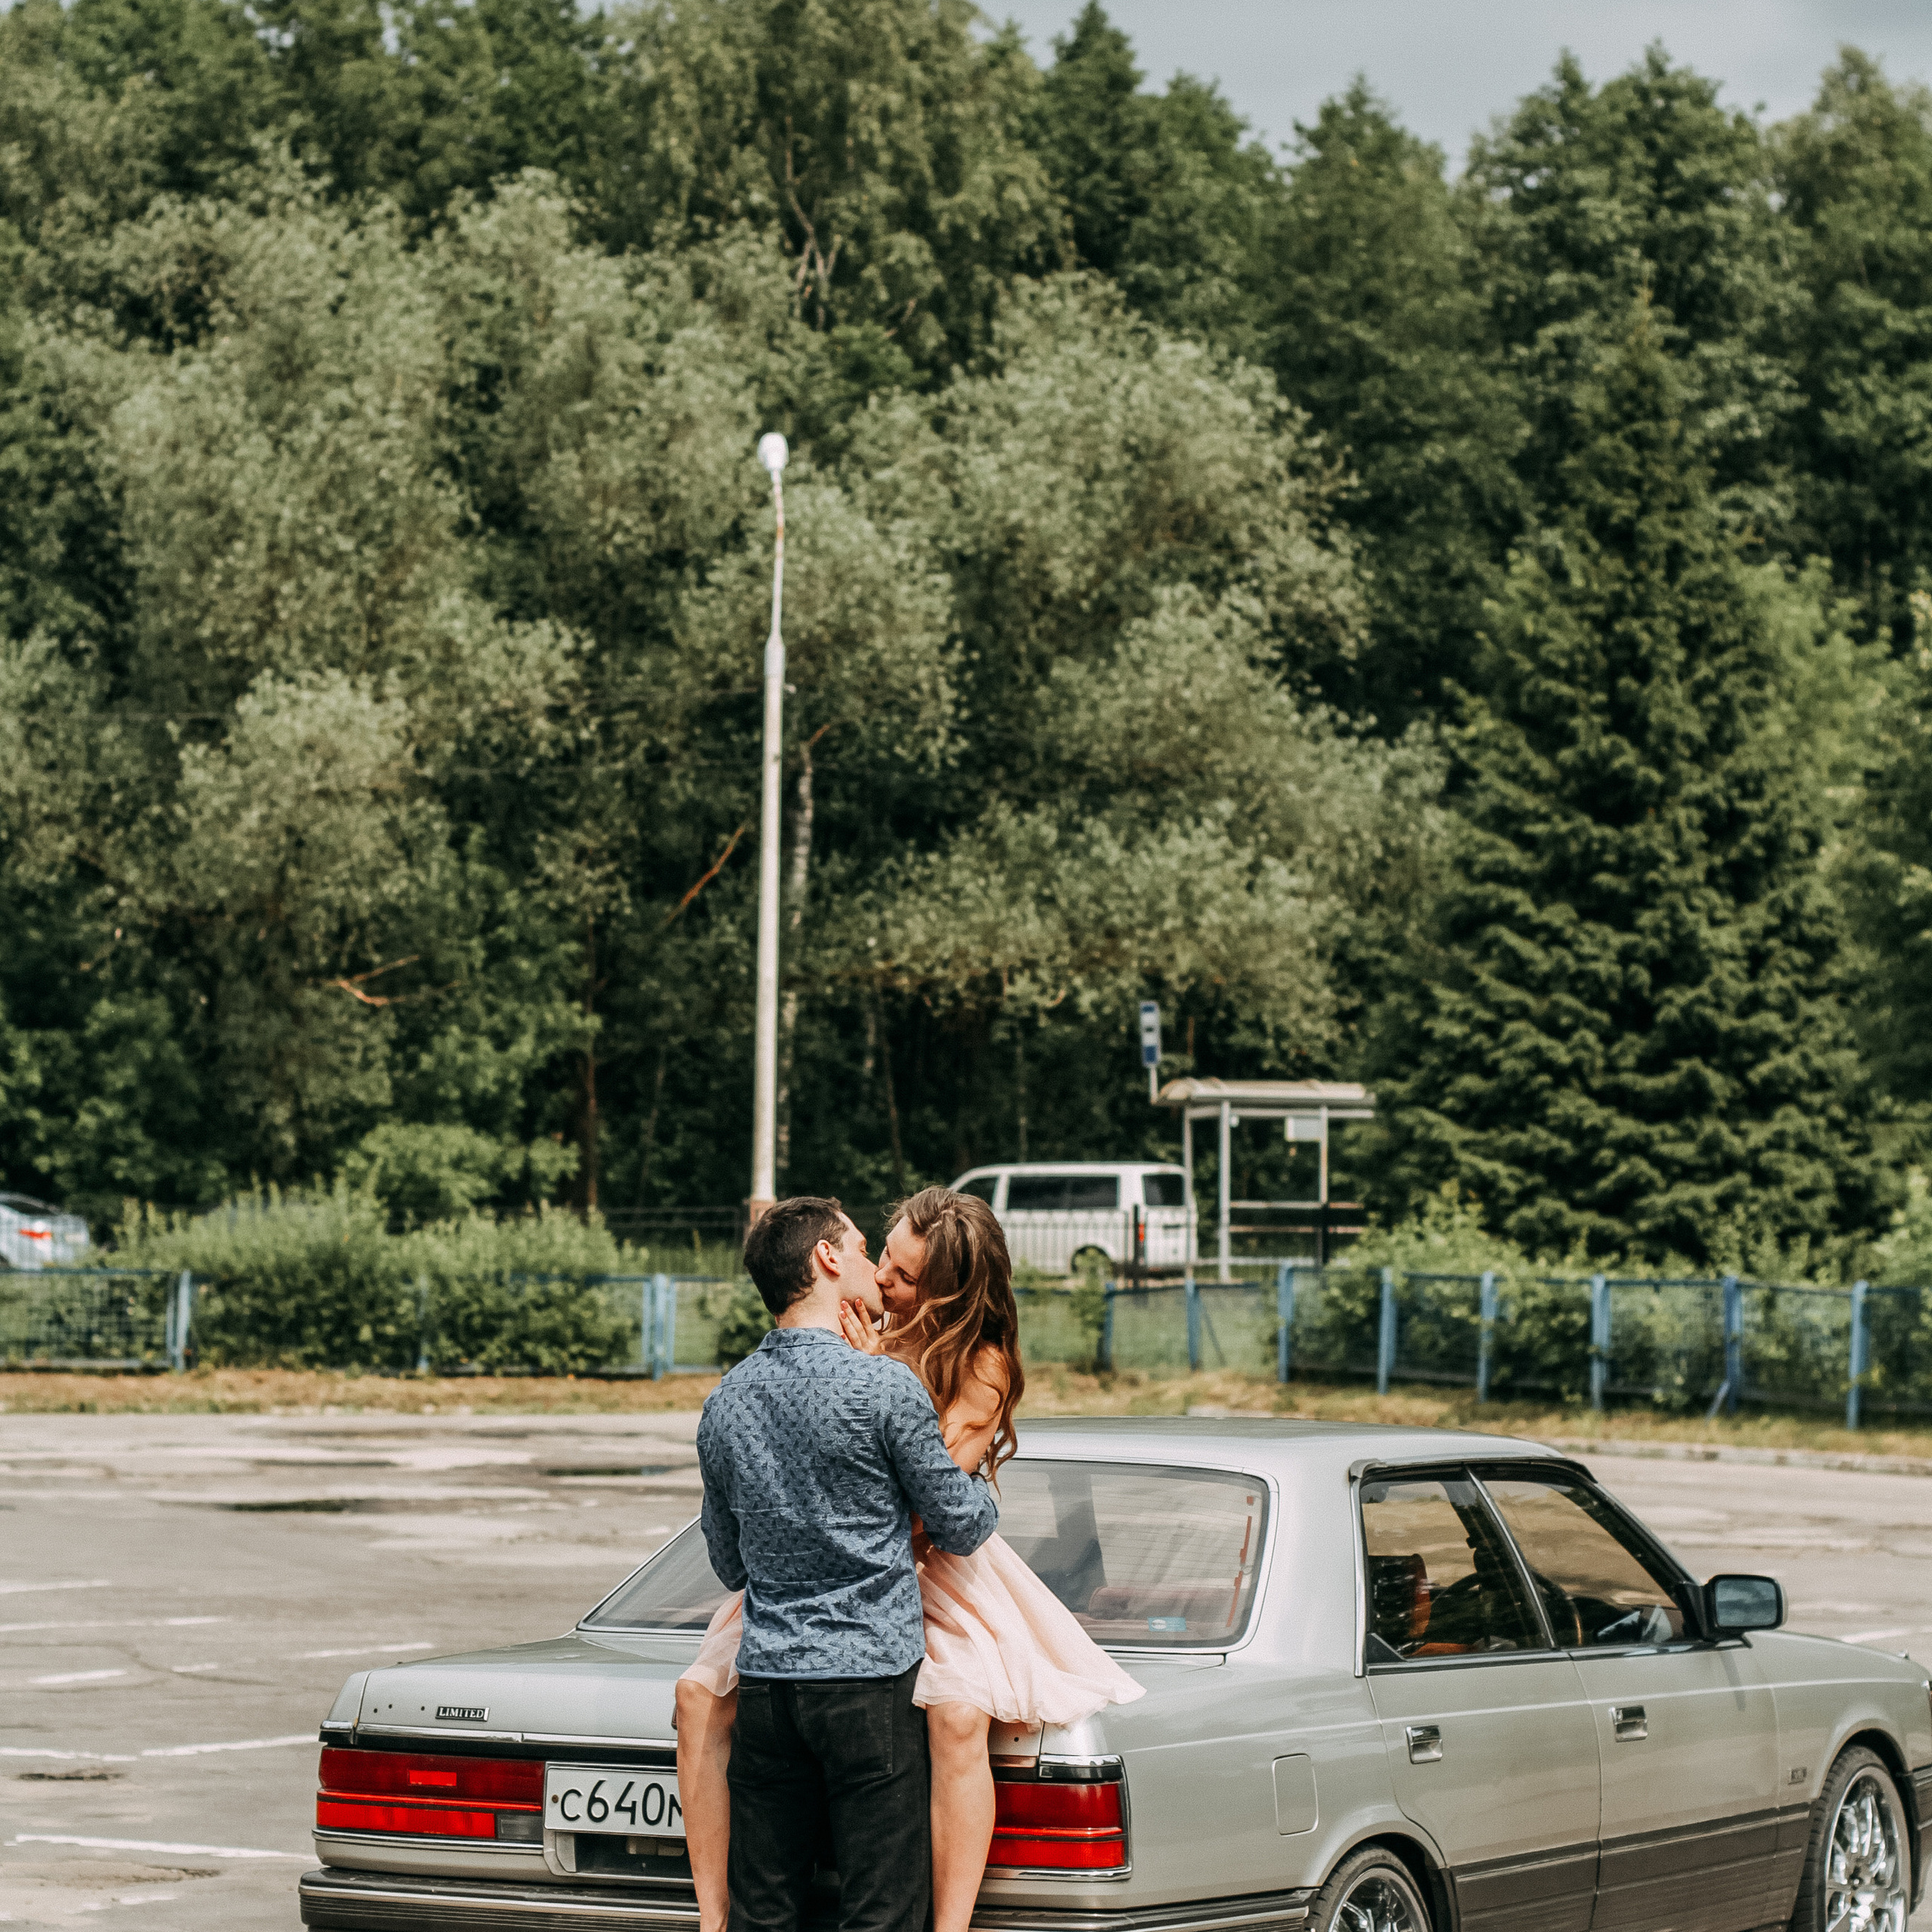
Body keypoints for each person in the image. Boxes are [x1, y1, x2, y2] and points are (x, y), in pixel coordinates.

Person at [679, 1188, 1143, 1932]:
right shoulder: (861, 1351)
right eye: (879, 1255)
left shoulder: (959, 1362)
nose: (884, 1277)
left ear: (941, 1290)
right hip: (850, 1611)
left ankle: (948, 1922)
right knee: (700, 1696)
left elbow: (934, 1522)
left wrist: (880, 1388)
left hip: (898, 1575)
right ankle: (713, 1913)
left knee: (956, 1713)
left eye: (900, 1270)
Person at [689, 1196, 998, 1932]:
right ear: (827, 1260)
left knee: (765, 1910)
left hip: (769, 1687)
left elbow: (730, 1564)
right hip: (868, 1684)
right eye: (862, 1249)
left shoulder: (724, 1401)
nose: (875, 1268)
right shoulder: (885, 1388)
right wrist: (982, 1485)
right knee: (879, 1910)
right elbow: (957, 1524)